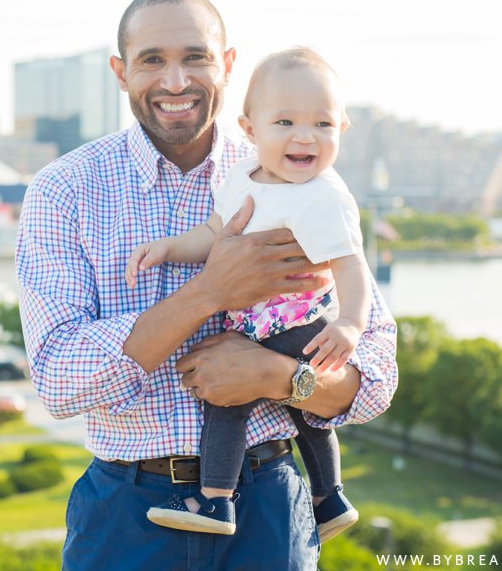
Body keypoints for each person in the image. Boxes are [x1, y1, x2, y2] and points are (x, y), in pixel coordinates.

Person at [16, 0, 397, 571]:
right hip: (124, 513)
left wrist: (277, 376)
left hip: (270, 504)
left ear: (227, 65)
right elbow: (59, 382)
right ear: (121, 72)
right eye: (152, 61)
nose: (175, 82)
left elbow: (375, 377)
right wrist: (210, 292)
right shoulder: (64, 192)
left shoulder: (301, 177)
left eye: (195, 57)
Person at [127, 48, 366, 541]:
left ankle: (220, 500)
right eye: (285, 122)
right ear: (251, 130)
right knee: (286, 405)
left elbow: (350, 263)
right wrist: (171, 248)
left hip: (299, 322)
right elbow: (218, 231)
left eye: (322, 124)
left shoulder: (324, 194)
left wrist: (350, 324)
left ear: (341, 129)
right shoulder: (242, 177)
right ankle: (328, 498)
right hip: (256, 326)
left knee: (244, 402)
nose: (305, 136)